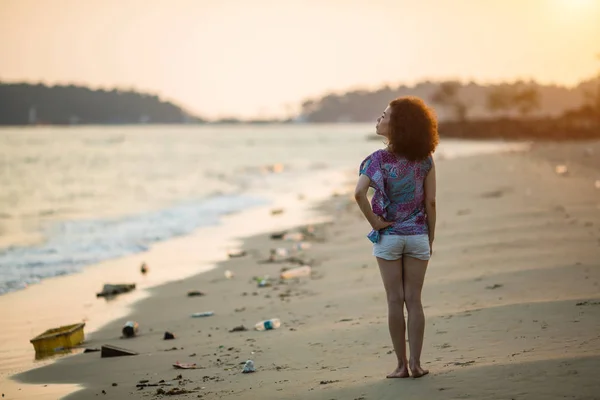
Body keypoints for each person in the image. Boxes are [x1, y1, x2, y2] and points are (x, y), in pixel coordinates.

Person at [354, 96, 439, 379]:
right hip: (417, 236)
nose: (379, 119)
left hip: (388, 237)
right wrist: (431, 236)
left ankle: (401, 366)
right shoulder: (425, 160)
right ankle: (416, 364)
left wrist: (375, 222)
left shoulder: (378, 160)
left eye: (384, 115)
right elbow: (431, 203)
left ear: (397, 125)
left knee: (394, 300)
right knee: (414, 300)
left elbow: (358, 194)